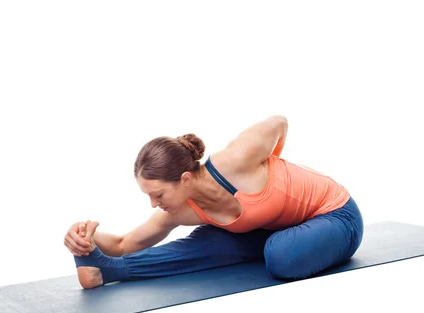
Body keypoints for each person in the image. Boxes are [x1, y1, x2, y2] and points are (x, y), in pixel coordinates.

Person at [63, 115, 364, 289]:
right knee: (205, 244)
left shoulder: (236, 161)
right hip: (271, 229)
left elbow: (279, 122)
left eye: (158, 194)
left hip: (335, 216)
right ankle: (108, 271)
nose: (154, 204)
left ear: (183, 179)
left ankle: (284, 242)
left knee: (280, 256)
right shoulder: (181, 209)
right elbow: (125, 242)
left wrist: (272, 164)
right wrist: (86, 240)